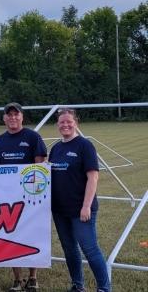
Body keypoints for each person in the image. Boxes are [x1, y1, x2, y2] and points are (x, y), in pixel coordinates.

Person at [49, 108, 110, 292]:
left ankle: (104, 288)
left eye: (69, 121)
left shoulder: (85, 145)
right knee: (70, 250)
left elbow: (93, 177)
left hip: (81, 210)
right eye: (62, 122)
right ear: (57, 125)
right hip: (60, 210)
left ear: (76, 123)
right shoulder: (56, 148)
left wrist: (86, 206)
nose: (65, 125)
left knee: (90, 249)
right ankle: (77, 285)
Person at [0, 102, 47, 292]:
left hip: (30, 197)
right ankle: (17, 279)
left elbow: (40, 167)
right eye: (9, 115)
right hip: (7, 199)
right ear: (4, 118)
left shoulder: (33, 137)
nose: (13, 117)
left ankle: (33, 277)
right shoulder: (1, 140)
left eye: (16, 114)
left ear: (22, 117)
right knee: (11, 237)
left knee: (32, 237)